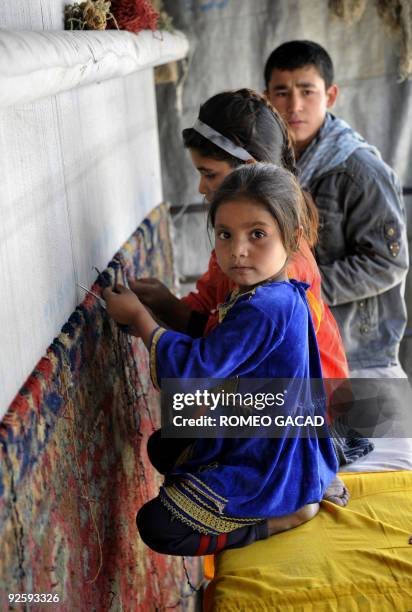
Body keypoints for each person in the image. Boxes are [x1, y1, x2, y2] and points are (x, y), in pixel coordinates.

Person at [103, 163, 339, 556]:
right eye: (225, 234)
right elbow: (220, 353)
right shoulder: (270, 293)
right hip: (267, 427)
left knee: (157, 526)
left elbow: (194, 373)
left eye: (257, 234)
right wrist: (156, 313)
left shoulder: (266, 306)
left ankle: (286, 515)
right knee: (165, 446)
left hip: (273, 460)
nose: (237, 250)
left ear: (293, 237)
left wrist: (142, 320)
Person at [130, 89, 349, 383]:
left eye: (209, 174)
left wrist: (142, 321)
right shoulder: (244, 248)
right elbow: (212, 319)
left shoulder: (280, 274)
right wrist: (161, 304)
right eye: (225, 235)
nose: (201, 188)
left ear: (246, 173)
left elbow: (213, 355)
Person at [264, 40, 409, 379]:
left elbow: (387, 262)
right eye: (282, 92)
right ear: (267, 98)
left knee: (367, 432)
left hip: (360, 353)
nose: (294, 105)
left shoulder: (360, 170)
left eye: (307, 91)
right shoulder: (272, 167)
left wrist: (298, 287)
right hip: (305, 345)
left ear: (330, 96)